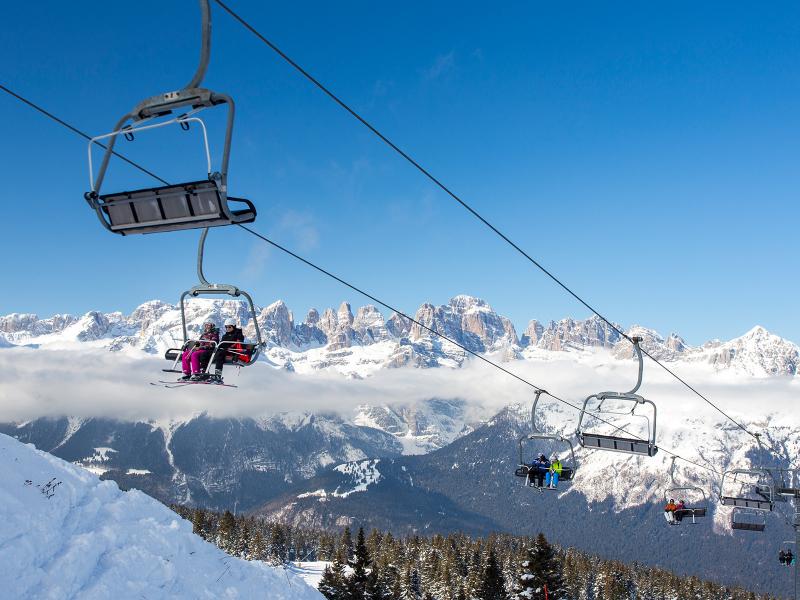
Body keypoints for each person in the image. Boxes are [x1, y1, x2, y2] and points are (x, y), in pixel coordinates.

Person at [212, 317, 245, 382]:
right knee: (211, 354)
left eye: (229, 327)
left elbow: (238, 343)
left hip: (232, 352)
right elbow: (221, 344)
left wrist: (229, 348)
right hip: (224, 351)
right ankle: (203, 373)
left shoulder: (238, 334)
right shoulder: (225, 335)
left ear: (234, 326)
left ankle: (218, 376)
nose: (227, 329)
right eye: (226, 327)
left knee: (219, 355)